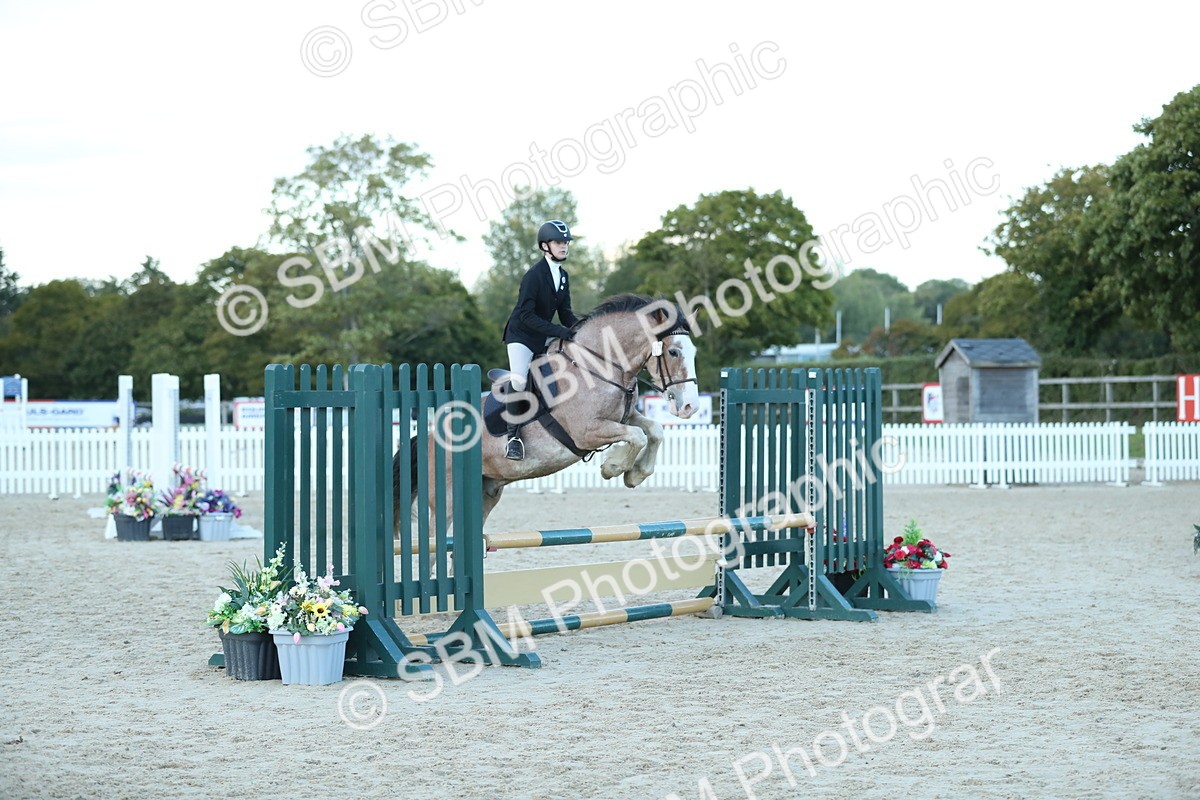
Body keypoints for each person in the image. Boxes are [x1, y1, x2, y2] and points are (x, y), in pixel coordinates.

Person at [498, 219, 580, 460]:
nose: (564, 247)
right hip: (521, 336)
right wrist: (559, 332)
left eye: (565, 243)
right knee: (520, 379)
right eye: (558, 243)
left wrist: (580, 328)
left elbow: (565, 313)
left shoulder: (563, 276)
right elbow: (525, 315)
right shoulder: (533, 275)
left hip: (543, 336)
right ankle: (512, 438)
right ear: (545, 246)